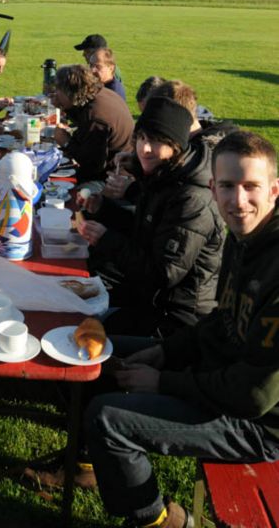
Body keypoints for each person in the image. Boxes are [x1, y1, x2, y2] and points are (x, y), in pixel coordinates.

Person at [85, 130, 279, 528]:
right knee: (100, 352)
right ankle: (86, 464)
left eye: (251, 186)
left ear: (274, 190)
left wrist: (163, 382)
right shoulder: (244, 237)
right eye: (227, 186)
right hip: (220, 373)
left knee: (107, 419)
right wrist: (165, 351)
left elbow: (253, 396)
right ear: (213, 188)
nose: (238, 200)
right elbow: (222, 319)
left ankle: (159, 520)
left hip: (260, 425)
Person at [81, 96, 224, 336]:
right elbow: (146, 232)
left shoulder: (191, 200)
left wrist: (107, 239)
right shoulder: (163, 176)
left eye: (156, 141)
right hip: (148, 297)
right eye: (142, 138)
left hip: (176, 319)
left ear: (176, 146)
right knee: (75, 301)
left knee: (84, 333)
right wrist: (103, 209)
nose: (144, 148)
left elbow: (162, 274)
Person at [52, 64, 134, 183]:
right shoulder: (101, 94)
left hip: (113, 177)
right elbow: (82, 115)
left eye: (58, 90)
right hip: (117, 165)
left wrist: (66, 142)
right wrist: (63, 106)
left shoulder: (96, 117)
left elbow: (92, 165)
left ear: (69, 92)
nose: (55, 93)